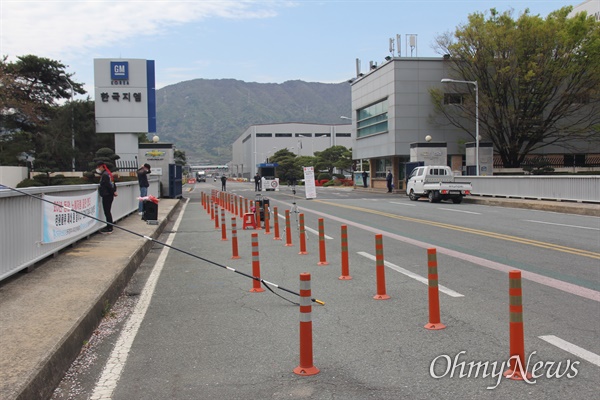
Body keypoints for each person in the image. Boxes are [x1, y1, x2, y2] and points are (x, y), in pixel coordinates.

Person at [96, 162, 117, 233]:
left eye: (99, 167)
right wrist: (114, 191)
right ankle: (109, 226)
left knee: (107, 212)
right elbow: (113, 184)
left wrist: (112, 191)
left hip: (107, 195)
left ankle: (109, 227)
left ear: (102, 167)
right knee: (108, 211)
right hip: (109, 195)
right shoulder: (108, 174)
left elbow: (108, 185)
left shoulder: (104, 175)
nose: (98, 169)